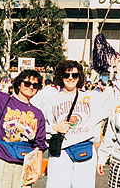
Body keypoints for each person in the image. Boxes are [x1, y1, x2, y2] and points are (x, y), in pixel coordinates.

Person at [43, 60, 114, 188]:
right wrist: (55, 128)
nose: (70, 78)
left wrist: (118, 73)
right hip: (61, 151)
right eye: (67, 75)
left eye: (74, 75)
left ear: (79, 77)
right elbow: (41, 126)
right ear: (61, 76)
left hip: (84, 148)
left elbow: (114, 97)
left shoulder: (91, 97)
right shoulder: (51, 101)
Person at [0, 69, 47, 188]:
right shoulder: (1, 100)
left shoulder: (38, 114)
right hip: (0, 162)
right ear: (19, 84)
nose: (31, 87)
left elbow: (39, 147)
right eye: (27, 83)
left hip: (24, 167)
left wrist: (37, 172)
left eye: (35, 85)